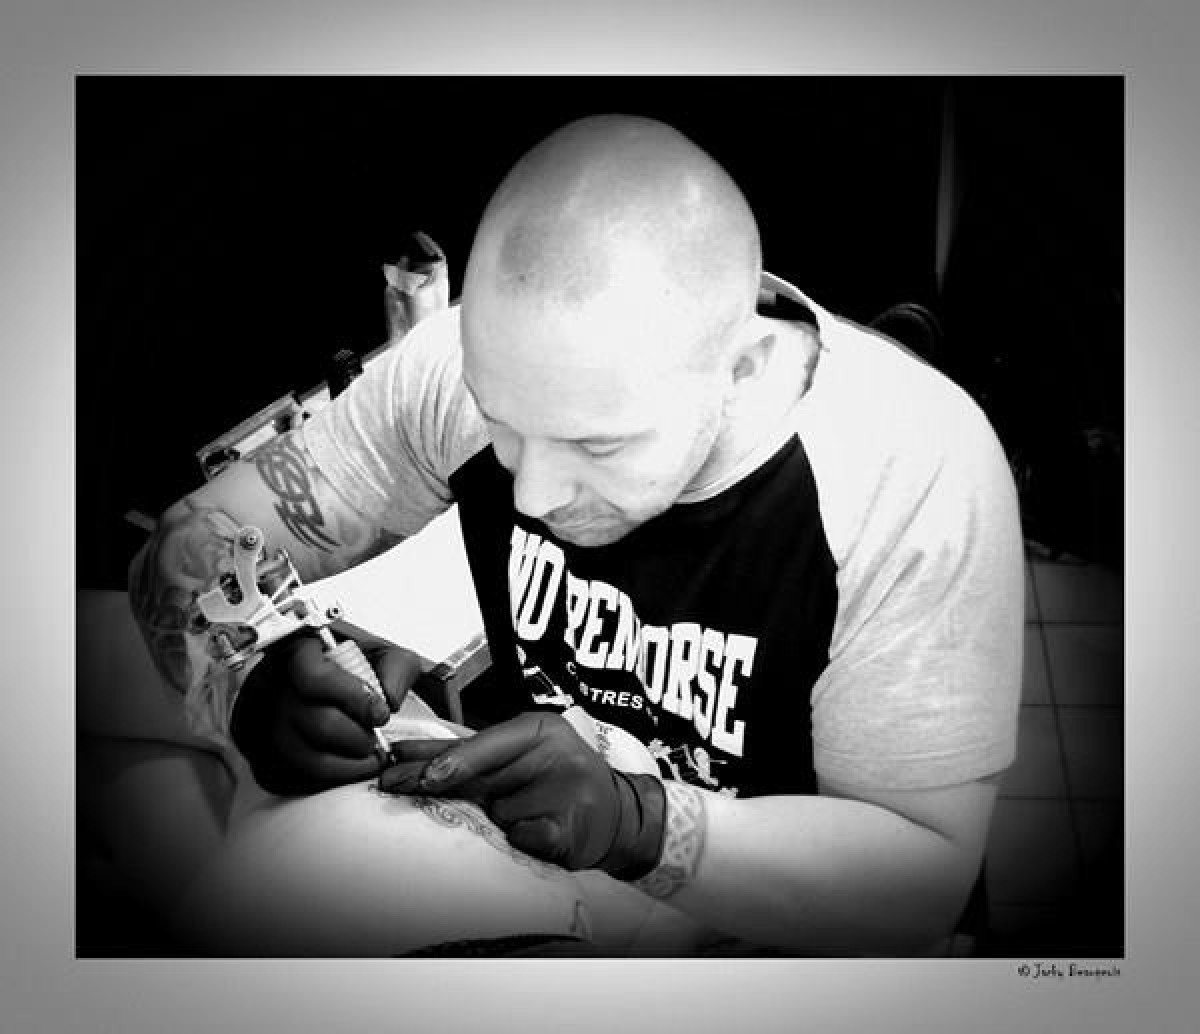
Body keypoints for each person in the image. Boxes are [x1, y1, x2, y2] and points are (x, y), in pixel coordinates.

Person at [128, 114, 1023, 955]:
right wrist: (247, 669)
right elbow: (192, 536)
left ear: (742, 369)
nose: (533, 493)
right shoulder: (458, 365)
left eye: (598, 445)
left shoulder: (912, 474)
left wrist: (642, 825)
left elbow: (919, 887)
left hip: (779, 922)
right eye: (500, 425)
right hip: (551, 870)